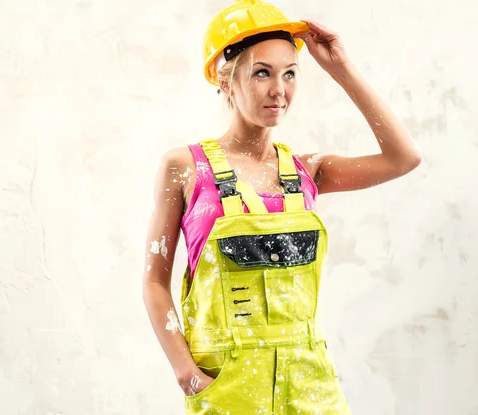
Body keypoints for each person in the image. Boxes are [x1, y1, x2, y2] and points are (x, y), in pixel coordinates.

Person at [142, 0, 421, 413]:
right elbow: (154, 281)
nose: (280, 90)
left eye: (290, 74)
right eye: (262, 73)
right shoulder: (185, 168)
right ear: (226, 80)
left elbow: (404, 158)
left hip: (310, 382)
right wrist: (185, 371)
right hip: (227, 385)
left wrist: (341, 70)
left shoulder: (308, 171)